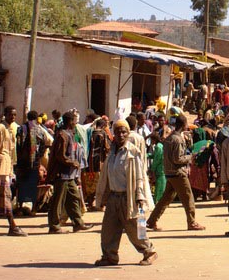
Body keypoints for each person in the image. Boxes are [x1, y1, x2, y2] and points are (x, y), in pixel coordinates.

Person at [94, 119, 158, 266]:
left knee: (136, 229)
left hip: (129, 197)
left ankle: (149, 252)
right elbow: (107, 176)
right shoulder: (111, 152)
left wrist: (140, 196)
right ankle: (109, 256)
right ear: (113, 134)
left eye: (124, 132)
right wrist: (103, 197)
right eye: (117, 132)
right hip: (113, 197)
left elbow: (139, 176)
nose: (121, 135)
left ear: (128, 133)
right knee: (109, 229)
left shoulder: (132, 153)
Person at [146, 114, 205, 231]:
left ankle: (152, 221)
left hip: (169, 172)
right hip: (178, 173)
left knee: (165, 199)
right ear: (184, 125)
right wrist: (190, 157)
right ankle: (192, 222)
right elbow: (178, 159)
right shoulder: (177, 140)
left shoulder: (169, 138)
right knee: (188, 197)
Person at [47, 111, 91, 234]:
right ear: (70, 122)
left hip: (70, 175)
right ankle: (54, 225)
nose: (76, 123)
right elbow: (60, 156)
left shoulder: (69, 134)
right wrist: (73, 163)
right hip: (61, 174)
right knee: (58, 200)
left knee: (74, 197)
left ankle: (78, 223)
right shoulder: (62, 135)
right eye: (74, 121)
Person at [0, 116, 27, 237]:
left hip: (6, 164)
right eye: (11, 114)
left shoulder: (9, 129)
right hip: (1, 165)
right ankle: (12, 226)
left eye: (15, 114)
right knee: (5, 195)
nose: (13, 117)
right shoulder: (1, 128)